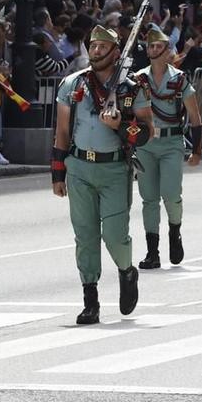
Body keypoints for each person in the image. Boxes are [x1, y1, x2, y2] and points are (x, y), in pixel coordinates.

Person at [50, 25, 140, 325]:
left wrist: (120, 126)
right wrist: (58, 174)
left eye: (103, 46)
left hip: (114, 168)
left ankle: (127, 271)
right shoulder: (72, 84)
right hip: (79, 168)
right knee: (85, 236)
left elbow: (146, 131)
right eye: (93, 45)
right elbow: (62, 132)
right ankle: (91, 301)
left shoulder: (132, 86)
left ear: (116, 53)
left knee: (115, 236)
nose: (97, 51)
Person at [129, 24, 202, 270]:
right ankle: (152, 251)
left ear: (168, 50)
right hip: (147, 144)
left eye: (158, 45)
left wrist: (198, 150)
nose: (153, 49)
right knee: (148, 199)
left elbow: (195, 115)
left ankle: (175, 231)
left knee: (171, 194)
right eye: (150, 46)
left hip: (171, 143)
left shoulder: (179, 79)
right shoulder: (138, 79)